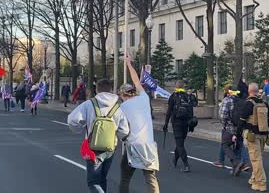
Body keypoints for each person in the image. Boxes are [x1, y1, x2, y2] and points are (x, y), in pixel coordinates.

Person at [67, 79, 130, 193]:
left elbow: (72, 120)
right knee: (102, 179)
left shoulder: (89, 104)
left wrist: (79, 129)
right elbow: (124, 131)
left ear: (97, 90)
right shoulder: (117, 108)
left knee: (93, 182)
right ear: (111, 90)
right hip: (110, 148)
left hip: (93, 147)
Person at [119, 55, 160, 193]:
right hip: (148, 145)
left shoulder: (122, 108)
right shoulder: (144, 98)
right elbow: (137, 81)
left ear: (122, 95)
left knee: (125, 178)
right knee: (150, 178)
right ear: (133, 92)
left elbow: (122, 129)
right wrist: (129, 64)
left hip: (133, 146)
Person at [238, 83, 269, 192]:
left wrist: (237, 134)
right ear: (258, 91)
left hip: (252, 135)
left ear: (249, 91)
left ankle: (261, 183)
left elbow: (242, 121)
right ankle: (253, 178)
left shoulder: (248, 103)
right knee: (258, 158)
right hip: (264, 134)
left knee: (255, 159)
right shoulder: (264, 103)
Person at [213, 85, 251, 171]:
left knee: (225, 145)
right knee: (239, 145)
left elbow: (223, 116)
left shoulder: (227, 100)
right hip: (240, 128)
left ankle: (236, 162)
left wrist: (225, 125)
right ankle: (240, 165)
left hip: (229, 128)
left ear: (229, 91)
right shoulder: (242, 100)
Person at [163, 80, 193, 172]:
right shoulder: (187, 96)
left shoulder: (173, 96)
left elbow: (169, 112)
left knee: (179, 144)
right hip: (186, 123)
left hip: (176, 123)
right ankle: (175, 159)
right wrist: (191, 124)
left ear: (176, 87)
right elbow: (191, 111)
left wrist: (166, 124)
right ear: (183, 86)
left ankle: (186, 164)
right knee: (180, 143)